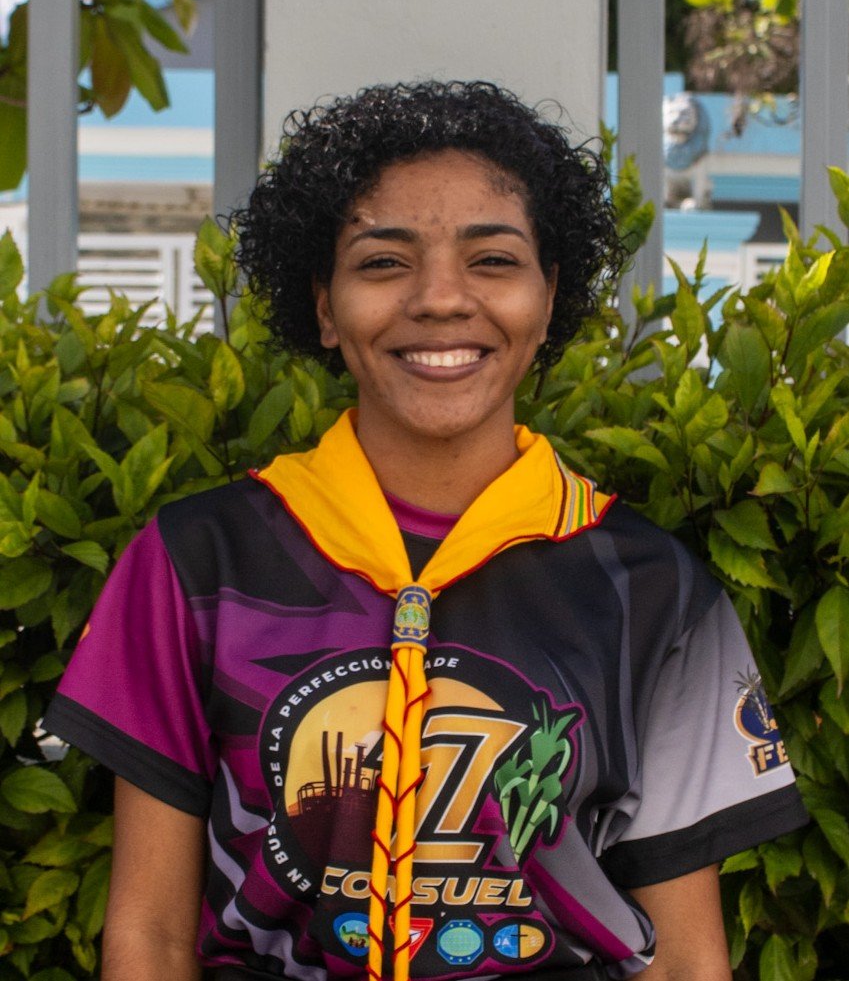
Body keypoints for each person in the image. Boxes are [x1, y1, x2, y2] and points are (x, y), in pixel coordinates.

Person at [44, 81, 807, 981]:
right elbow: (150, 935)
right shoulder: (196, 561)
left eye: (493, 260)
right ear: (324, 306)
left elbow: (681, 960)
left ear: (548, 300)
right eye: (382, 262)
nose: (441, 298)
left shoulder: (651, 589)